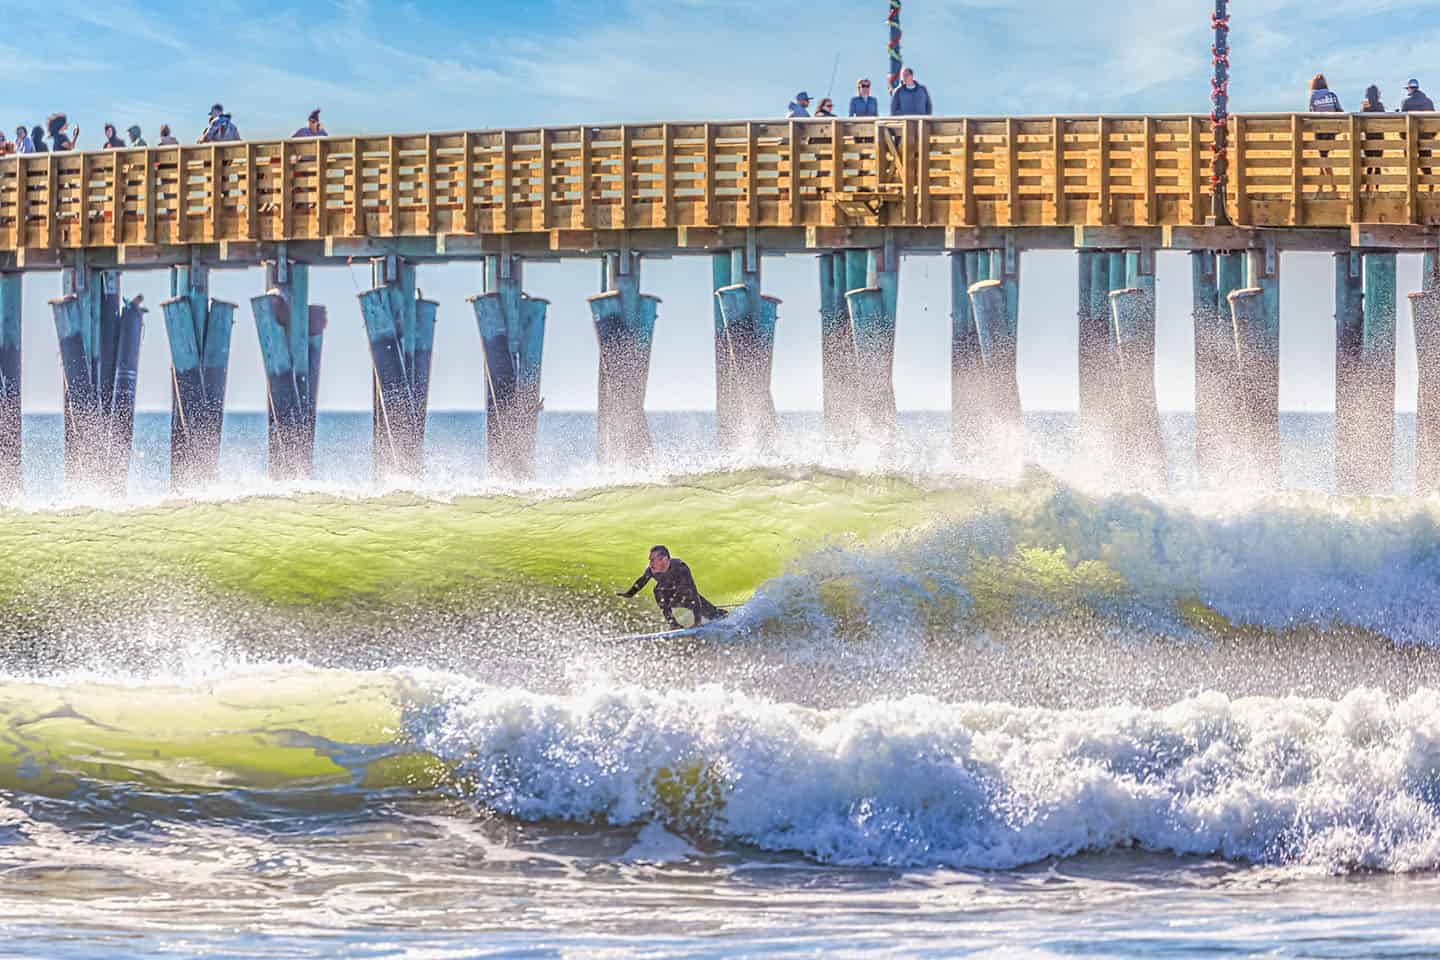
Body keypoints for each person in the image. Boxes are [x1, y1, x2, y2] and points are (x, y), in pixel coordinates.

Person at [618, 545, 728, 630]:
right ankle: (673, 624)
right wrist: (629, 594)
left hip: (688, 598)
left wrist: (697, 622)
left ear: (664, 559)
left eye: (652, 560)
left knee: (715, 615)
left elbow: (693, 593)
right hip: (671, 599)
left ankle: (727, 618)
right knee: (657, 590)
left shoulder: (680, 568)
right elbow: (641, 581)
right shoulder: (651, 570)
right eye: (649, 560)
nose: (650, 563)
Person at [1308, 74, 1342, 196]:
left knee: (1323, 159)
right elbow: (1340, 111)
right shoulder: (1332, 95)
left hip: (1319, 130)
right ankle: (1320, 190)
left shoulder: (1313, 96)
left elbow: (1311, 113)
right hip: (1331, 130)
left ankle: (1334, 189)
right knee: (1324, 158)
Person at [1360, 85, 1385, 192]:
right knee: (1378, 163)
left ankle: (1368, 186)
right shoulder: (1380, 106)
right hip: (1379, 137)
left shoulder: (1365, 107)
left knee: (1370, 163)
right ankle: (1377, 187)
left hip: (1369, 138)